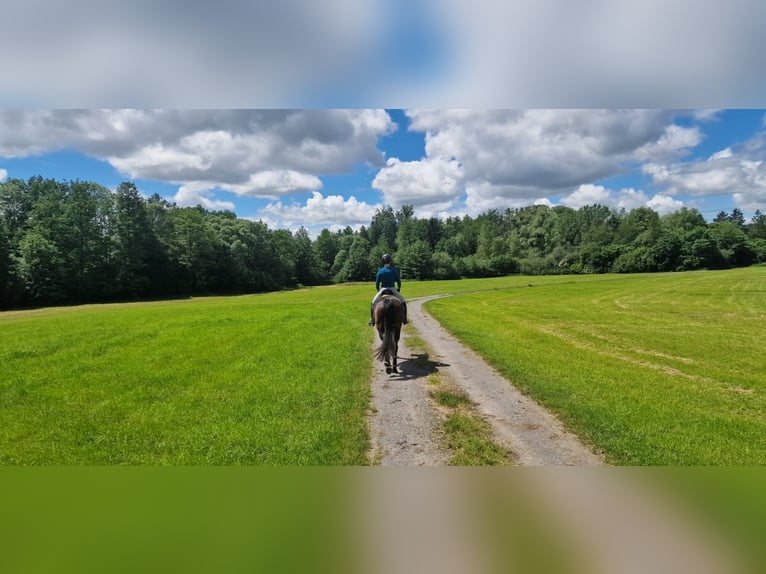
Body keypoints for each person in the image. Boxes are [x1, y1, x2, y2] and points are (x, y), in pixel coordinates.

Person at [368, 253, 408, 326]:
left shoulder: (380, 271)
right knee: (403, 302)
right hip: (392, 289)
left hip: (383, 289)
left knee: (373, 303)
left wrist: (378, 290)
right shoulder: (394, 270)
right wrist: (398, 288)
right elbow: (399, 281)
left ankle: (372, 320)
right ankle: (405, 319)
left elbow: (377, 283)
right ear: (390, 261)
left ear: (382, 261)